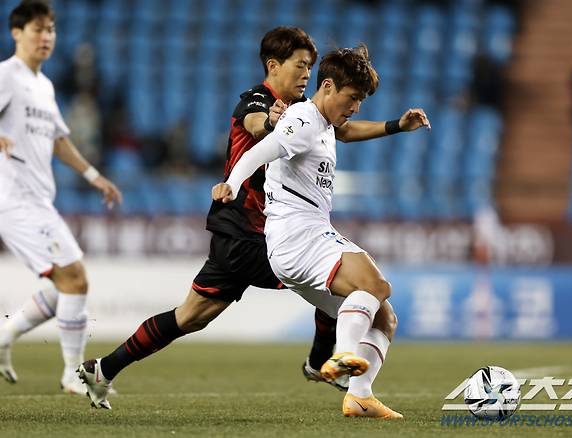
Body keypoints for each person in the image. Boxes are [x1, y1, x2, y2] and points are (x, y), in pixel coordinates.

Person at [77, 27, 342, 411]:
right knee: (329, 276)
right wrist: (270, 123)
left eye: (310, 67)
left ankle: (102, 368)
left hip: (245, 233)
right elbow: (255, 124)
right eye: (301, 65)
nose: (307, 74)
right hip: (246, 231)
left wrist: (394, 126)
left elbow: (343, 127)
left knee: (191, 317)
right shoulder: (257, 100)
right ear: (274, 66)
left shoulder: (304, 115)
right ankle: (319, 363)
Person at [212, 45, 430, 418]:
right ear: (327, 86)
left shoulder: (325, 124)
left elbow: (347, 130)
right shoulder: (304, 118)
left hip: (300, 241)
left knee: (384, 316)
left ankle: (360, 397)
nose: (357, 107)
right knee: (375, 286)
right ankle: (343, 356)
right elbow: (261, 150)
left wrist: (396, 125)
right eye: (353, 97)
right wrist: (230, 182)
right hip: (298, 235)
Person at [0, 0, 122, 394]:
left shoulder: (44, 84)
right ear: (17, 32)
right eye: (38, 29)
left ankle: (3, 338)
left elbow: (57, 138)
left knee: (63, 285)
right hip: (13, 198)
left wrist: (93, 175)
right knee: (75, 278)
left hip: (39, 199)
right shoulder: (7, 76)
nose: (46, 36)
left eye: (50, 29)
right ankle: (72, 373)